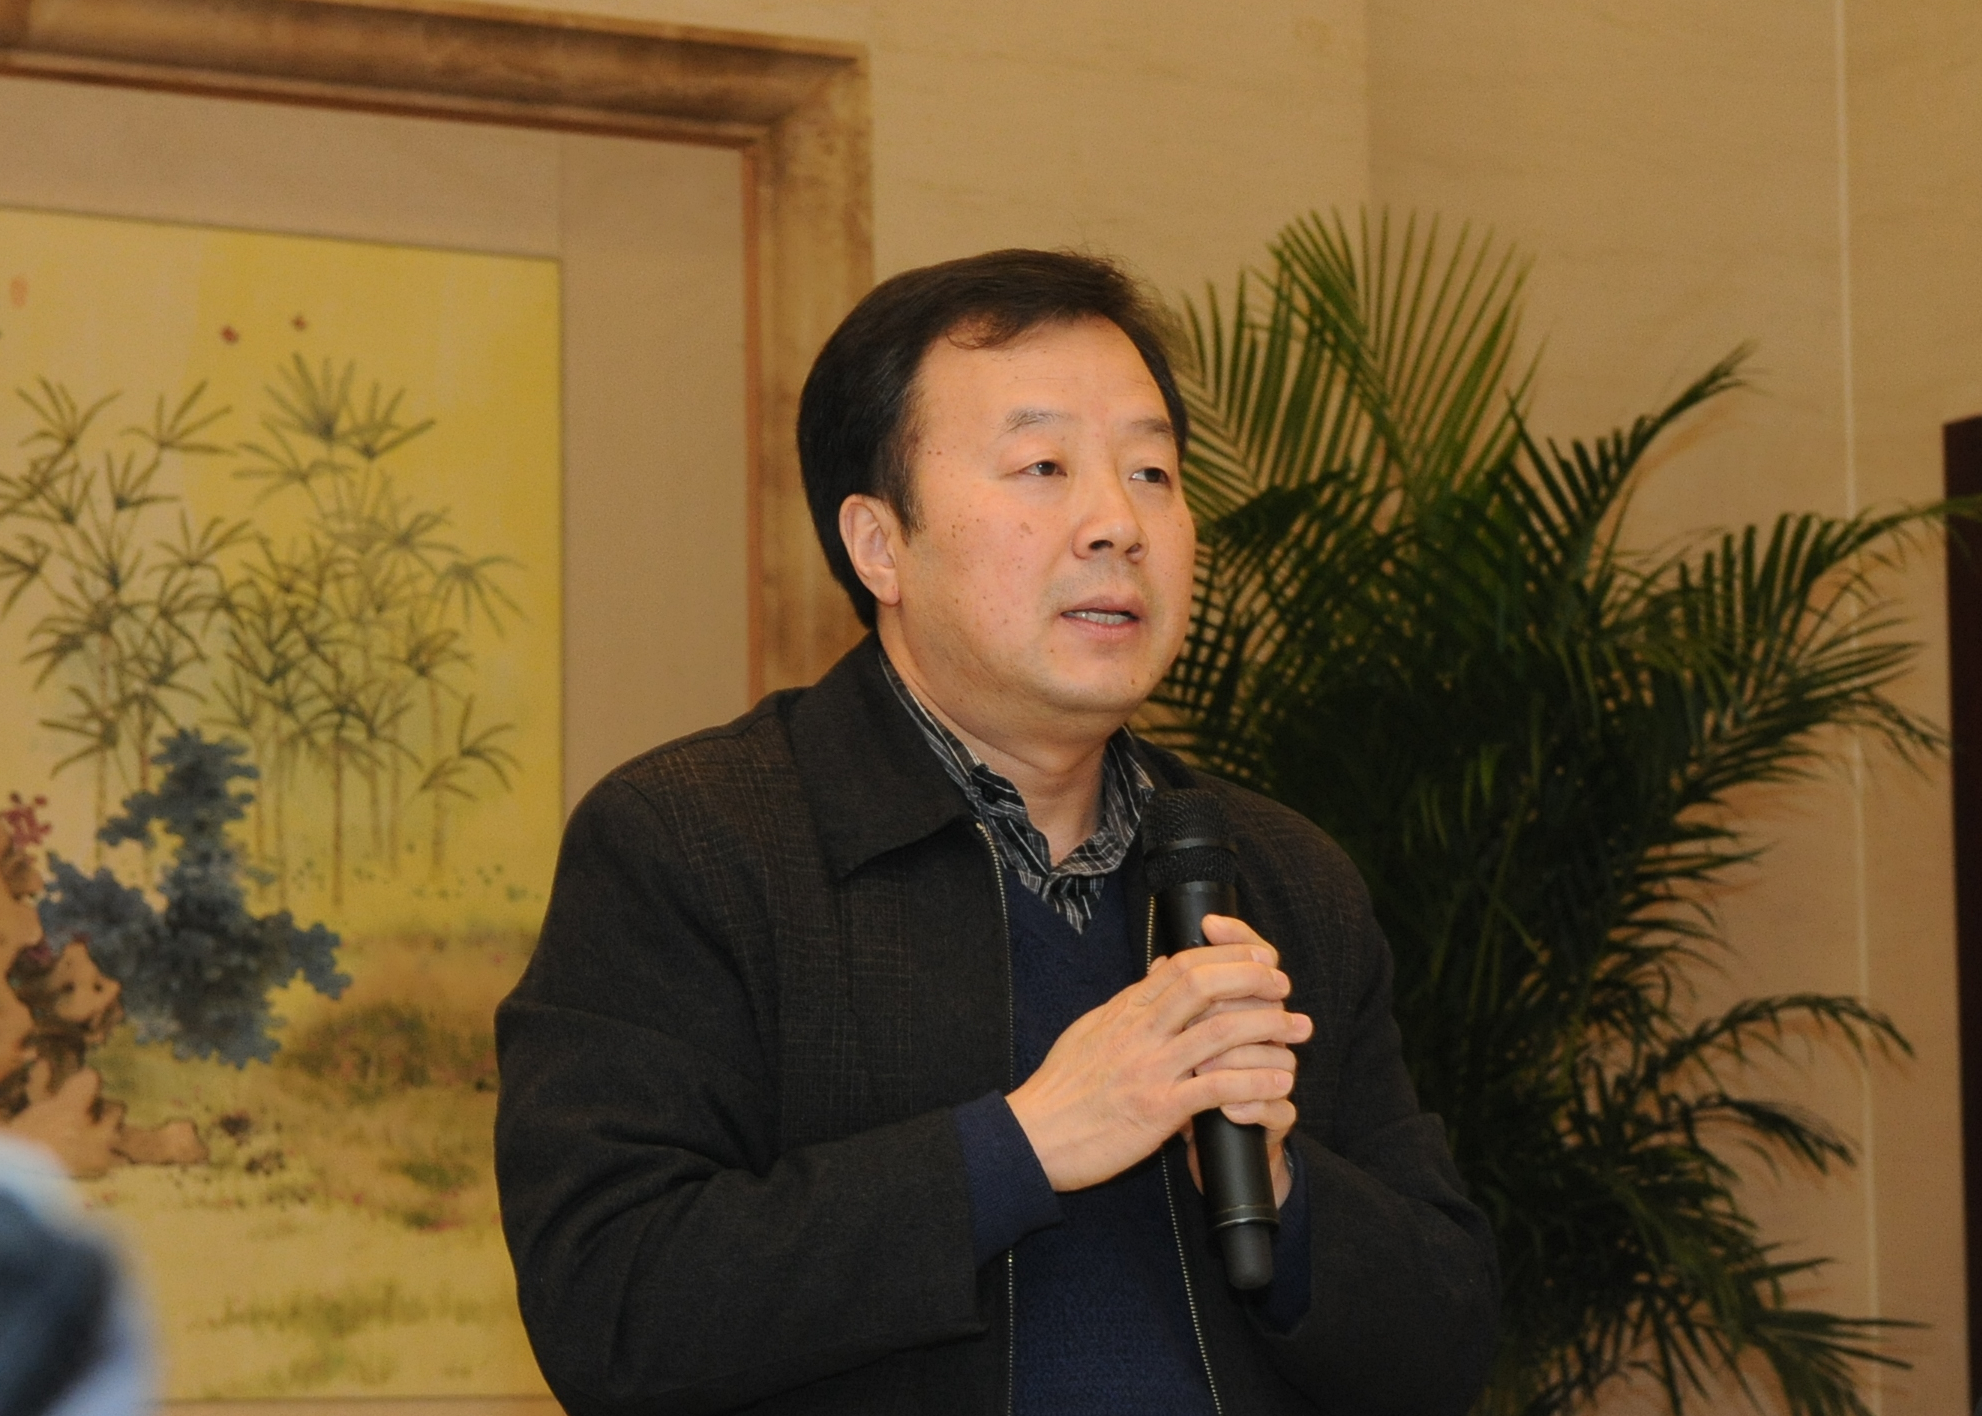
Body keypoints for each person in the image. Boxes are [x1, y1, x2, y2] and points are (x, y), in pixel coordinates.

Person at [495, 249, 1499, 1415]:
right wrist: (1022, 1147)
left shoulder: (1276, 875)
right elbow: (611, 1309)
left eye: (1151, 473)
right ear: (879, 545)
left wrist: (1280, 1187)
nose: (1116, 524)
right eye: (1041, 467)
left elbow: (1447, 1342)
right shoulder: (692, 843)